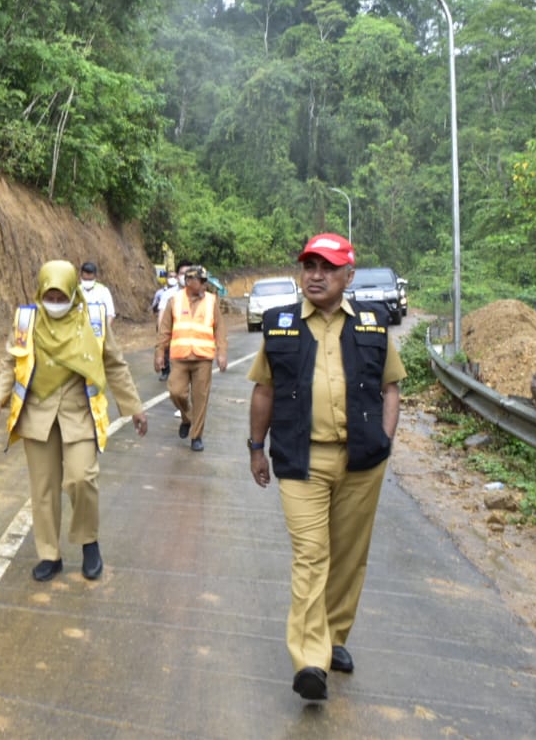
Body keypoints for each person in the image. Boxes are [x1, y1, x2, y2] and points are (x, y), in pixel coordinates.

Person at [246, 233, 406, 701]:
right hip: (303, 459)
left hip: (362, 461)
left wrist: (386, 439)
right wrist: (256, 447)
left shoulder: (374, 324)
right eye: (309, 266)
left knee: (348, 557)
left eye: (327, 267)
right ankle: (310, 660)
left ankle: (334, 638)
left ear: (348, 276)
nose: (315, 276)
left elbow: (391, 387)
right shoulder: (280, 325)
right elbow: (264, 391)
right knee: (312, 555)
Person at [0, 260, 147, 581]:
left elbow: (115, 365)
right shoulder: (27, 320)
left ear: (74, 292)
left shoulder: (95, 320)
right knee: (42, 488)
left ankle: (89, 543)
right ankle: (50, 554)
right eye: (50, 296)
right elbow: (10, 364)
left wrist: (134, 407)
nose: (55, 304)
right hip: (37, 414)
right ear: (40, 291)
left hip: (79, 413)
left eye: (62, 297)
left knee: (81, 478)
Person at [155, 264, 227, 451]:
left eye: (205, 282)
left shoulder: (211, 301)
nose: (204, 285)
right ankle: (187, 418)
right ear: (188, 282)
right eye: (201, 282)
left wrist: (222, 352)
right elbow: (164, 331)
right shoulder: (175, 301)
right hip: (179, 357)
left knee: (200, 398)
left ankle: (197, 436)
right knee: (176, 392)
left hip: (203, 358)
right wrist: (159, 352)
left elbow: (219, 329)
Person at [150, 275, 180, 381]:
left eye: (174, 276)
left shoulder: (182, 292)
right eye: (170, 276)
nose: (172, 279)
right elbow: (155, 307)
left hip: (179, 325)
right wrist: (160, 326)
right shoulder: (162, 293)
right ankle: (165, 371)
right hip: (166, 323)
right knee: (164, 348)